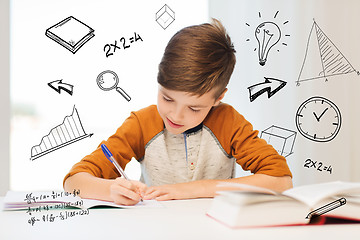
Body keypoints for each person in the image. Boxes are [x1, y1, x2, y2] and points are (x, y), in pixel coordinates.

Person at [63, 19, 292, 205]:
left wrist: (194, 189)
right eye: (167, 98)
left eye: (194, 108)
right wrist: (110, 189)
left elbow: (281, 181)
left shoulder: (228, 122)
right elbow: (73, 181)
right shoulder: (142, 123)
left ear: (218, 98)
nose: (175, 115)